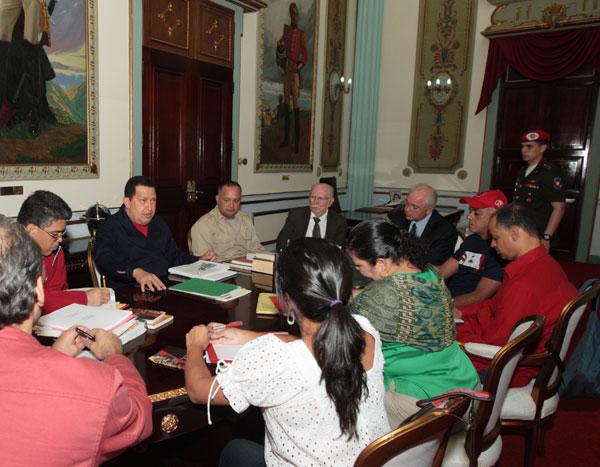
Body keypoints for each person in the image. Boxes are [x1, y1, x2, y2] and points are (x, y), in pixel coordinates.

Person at [184, 238, 389, 466]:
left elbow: (198, 390)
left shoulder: (276, 359)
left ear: (287, 300)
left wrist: (195, 345)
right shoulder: (364, 330)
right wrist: (245, 336)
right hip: (372, 460)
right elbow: (312, 344)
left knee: (235, 450)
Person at [0, 215, 152, 464]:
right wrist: (115, 356)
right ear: (39, 291)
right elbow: (139, 422)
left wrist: (53, 356)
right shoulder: (94, 387)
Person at [347, 219, 479, 428]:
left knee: (333, 398)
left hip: (423, 402)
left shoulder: (382, 295)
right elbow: (386, 297)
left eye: (359, 266)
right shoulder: (429, 272)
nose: (359, 271)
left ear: (381, 263)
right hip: (460, 384)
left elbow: (348, 328)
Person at [455, 203, 577, 387]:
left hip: (504, 370)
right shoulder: (546, 263)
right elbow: (493, 305)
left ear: (514, 233)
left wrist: (453, 331)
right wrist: (462, 313)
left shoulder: (524, 285)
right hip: (517, 353)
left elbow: (495, 344)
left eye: (495, 237)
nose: (493, 244)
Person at [93, 176, 198, 291]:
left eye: (153, 200)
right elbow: (105, 260)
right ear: (127, 202)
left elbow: (174, 256)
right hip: (129, 292)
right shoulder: (109, 227)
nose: (149, 207)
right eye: (143, 200)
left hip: (164, 287)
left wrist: (199, 262)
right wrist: (135, 272)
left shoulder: (158, 223)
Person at [17, 190, 110, 314]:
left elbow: (60, 292)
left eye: (62, 234)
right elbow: (29, 301)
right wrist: (83, 298)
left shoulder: (54, 252)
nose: (60, 240)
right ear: (32, 229)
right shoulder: (10, 256)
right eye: (55, 234)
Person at [439, 189, 507, 307]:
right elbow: (442, 272)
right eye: (470, 211)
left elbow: (480, 296)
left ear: (496, 216)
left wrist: (441, 305)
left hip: (468, 311)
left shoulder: (501, 249)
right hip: (449, 300)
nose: (469, 216)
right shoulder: (472, 240)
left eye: (477, 213)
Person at [513, 130, 566, 250]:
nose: (523, 150)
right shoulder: (523, 171)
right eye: (522, 147)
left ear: (543, 148)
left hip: (539, 232)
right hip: (522, 229)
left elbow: (559, 208)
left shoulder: (549, 172)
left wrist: (547, 237)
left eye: (529, 147)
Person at [190, 181, 265, 262]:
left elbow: (257, 250)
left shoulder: (245, 220)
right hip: (220, 270)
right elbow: (203, 262)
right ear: (217, 199)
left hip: (247, 267)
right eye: (227, 200)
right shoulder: (203, 225)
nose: (231, 205)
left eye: (236, 200)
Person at [389, 183, 458, 265]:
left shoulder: (445, 231)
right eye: (407, 203)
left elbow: (433, 266)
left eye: (414, 207)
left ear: (429, 210)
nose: (407, 209)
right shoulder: (399, 218)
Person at [276, 182, 347, 251]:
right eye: (313, 197)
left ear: (330, 202)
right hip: (299, 258)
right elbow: (281, 242)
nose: (315, 202)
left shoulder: (339, 221)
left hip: (325, 259)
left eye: (320, 198)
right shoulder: (296, 216)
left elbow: (339, 249)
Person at [277, 2, 308, 153]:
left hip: (295, 72)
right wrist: (280, 58)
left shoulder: (301, 34)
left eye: (297, 14)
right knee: (287, 107)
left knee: (296, 108)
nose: (295, 16)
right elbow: (280, 46)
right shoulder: (286, 30)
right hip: (287, 71)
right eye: (293, 13)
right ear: (290, 14)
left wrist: (299, 66)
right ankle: (286, 140)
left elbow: (306, 57)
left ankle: (296, 144)